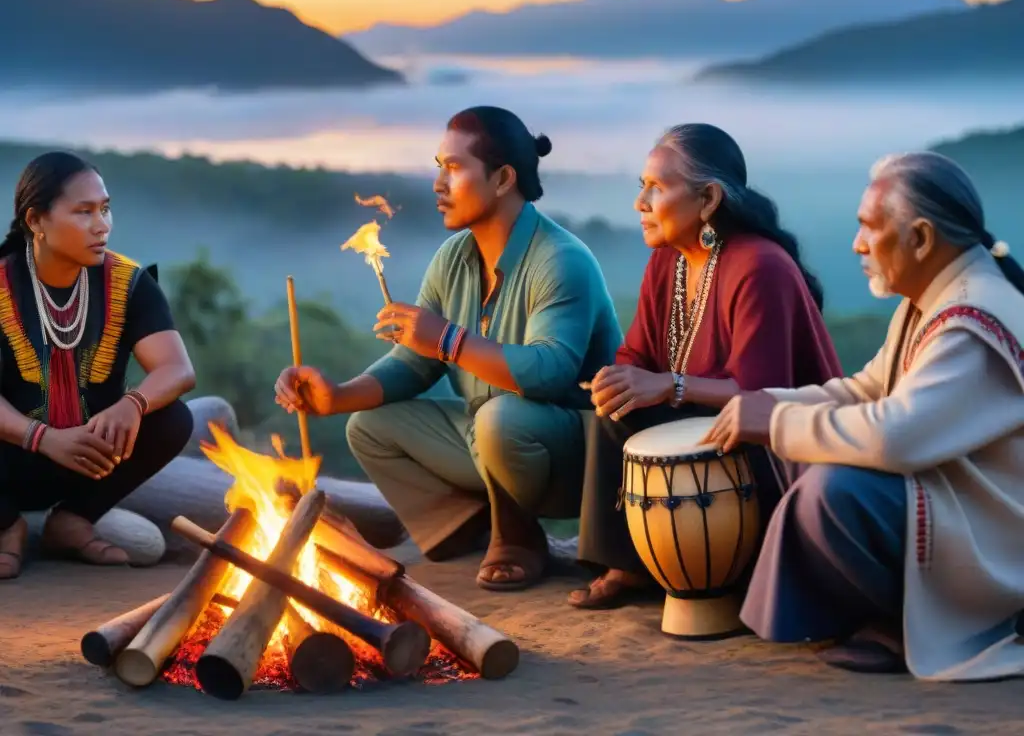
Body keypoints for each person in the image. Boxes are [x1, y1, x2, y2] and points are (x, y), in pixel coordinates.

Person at [703, 151, 1024, 681]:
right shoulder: (932, 298)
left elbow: (896, 436)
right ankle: (872, 610)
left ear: (920, 238)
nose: (857, 245)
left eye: (869, 228)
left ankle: (909, 622)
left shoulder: (973, 319)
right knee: (795, 452)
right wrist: (772, 407)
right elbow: (866, 389)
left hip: (995, 539)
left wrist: (778, 423)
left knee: (833, 492)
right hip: (953, 498)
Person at [274, 106, 622, 591]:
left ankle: (518, 537)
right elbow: (416, 365)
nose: (438, 182)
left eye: (454, 168)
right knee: (370, 427)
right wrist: (337, 396)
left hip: (571, 455)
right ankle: (469, 528)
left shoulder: (561, 260)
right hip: (491, 443)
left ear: (502, 179)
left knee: (500, 418)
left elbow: (550, 372)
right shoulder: (454, 258)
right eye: (439, 165)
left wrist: (447, 339)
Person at [568, 123, 843, 609]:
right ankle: (628, 564)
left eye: (657, 187)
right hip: (704, 422)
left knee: (643, 407)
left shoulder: (760, 266)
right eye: (641, 187)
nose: (641, 203)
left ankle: (711, 563)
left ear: (708, 199)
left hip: (772, 444)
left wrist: (668, 386)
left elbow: (763, 399)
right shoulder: (668, 262)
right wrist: (619, 379)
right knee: (614, 410)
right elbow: (638, 354)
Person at [0, 152, 196, 580]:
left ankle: (73, 520)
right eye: (84, 211)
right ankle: (6, 526)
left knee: (174, 418)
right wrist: (42, 438)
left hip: (93, 457)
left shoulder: (130, 282)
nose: (102, 224)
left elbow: (177, 370)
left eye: (105, 209)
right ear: (35, 221)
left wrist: (134, 403)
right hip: (10, 458)